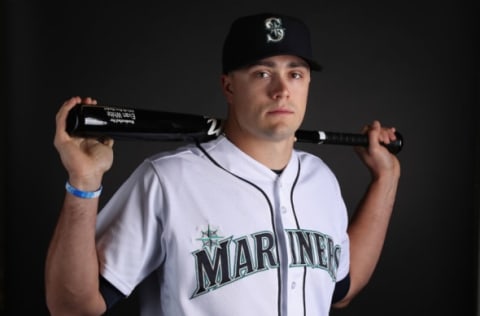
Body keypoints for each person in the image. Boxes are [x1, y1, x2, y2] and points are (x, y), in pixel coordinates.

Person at [45, 12, 400, 316]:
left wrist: (385, 179)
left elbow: (342, 288)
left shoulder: (321, 180)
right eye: (262, 73)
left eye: (295, 74)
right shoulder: (168, 180)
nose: (281, 90)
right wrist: (84, 180)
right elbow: (72, 308)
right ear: (228, 87)